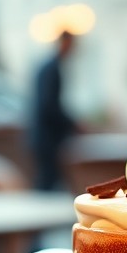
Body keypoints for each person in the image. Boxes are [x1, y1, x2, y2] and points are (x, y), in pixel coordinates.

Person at [29, 31, 78, 191]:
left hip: (43, 136)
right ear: (65, 43)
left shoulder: (48, 67)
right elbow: (49, 106)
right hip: (48, 138)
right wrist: (72, 124)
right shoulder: (52, 69)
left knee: (46, 181)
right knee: (47, 182)